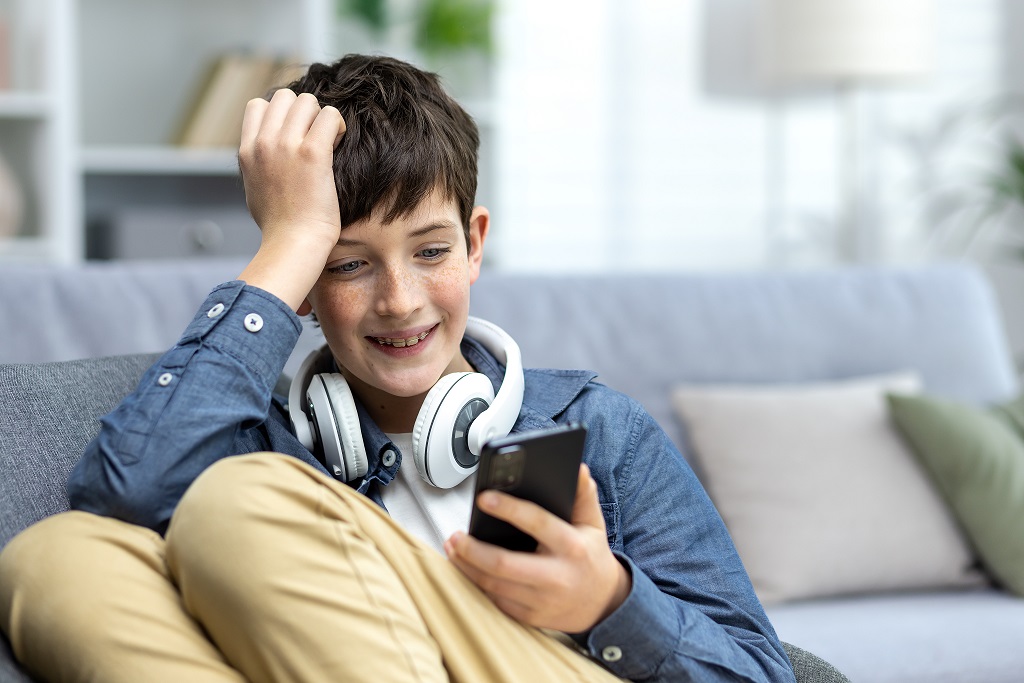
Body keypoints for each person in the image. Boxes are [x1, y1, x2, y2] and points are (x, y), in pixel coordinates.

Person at [0, 55, 796, 683]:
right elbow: (123, 493)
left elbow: (762, 672)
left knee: (240, 501)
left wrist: (609, 602)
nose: (400, 299)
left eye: (432, 250)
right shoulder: (266, 439)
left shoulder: (597, 428)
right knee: (57, 560)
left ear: (476, 242)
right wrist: (287, 247)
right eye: (347, 266)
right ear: (306, 284)